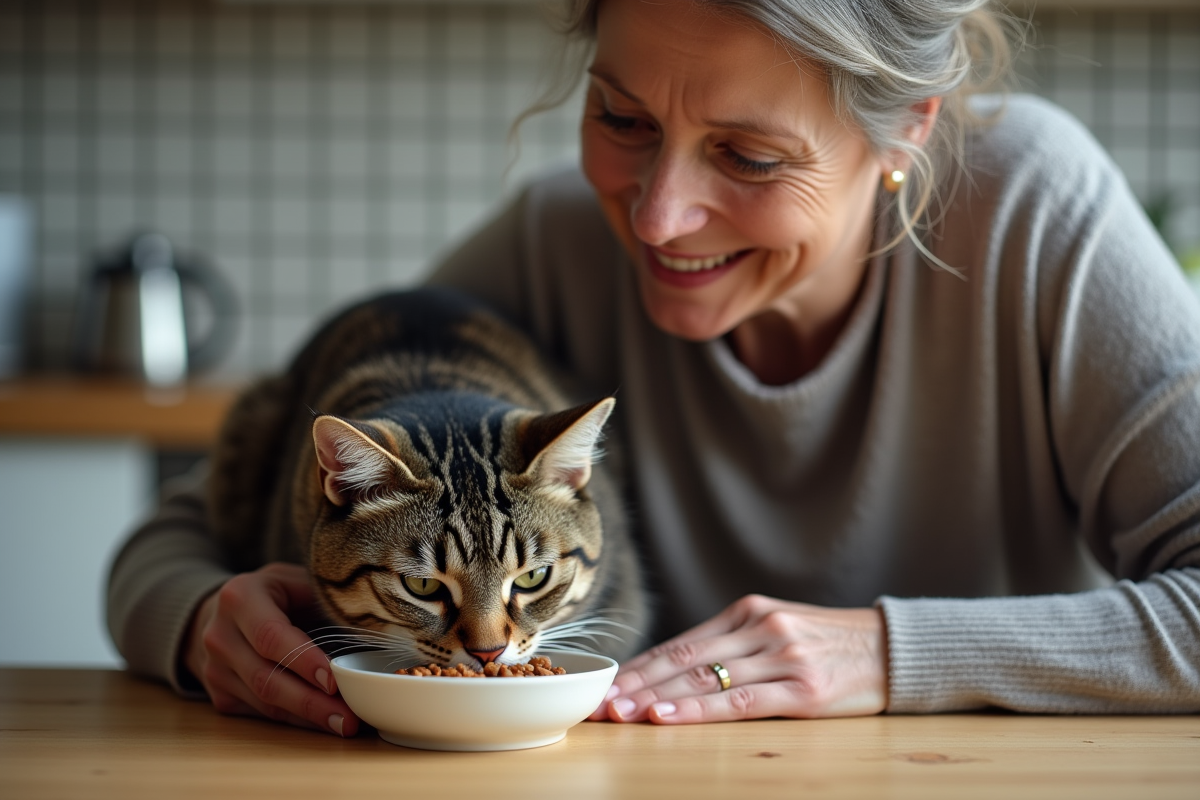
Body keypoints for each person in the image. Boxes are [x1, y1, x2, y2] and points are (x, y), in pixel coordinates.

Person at [107, 0, 1200, 737]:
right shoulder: (555, 240)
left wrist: (888, 651)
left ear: (906, 130)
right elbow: (171, 543)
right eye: (621, 118)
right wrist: (206, 624)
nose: (658, 216)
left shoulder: (1036, 212)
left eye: (750, 156)